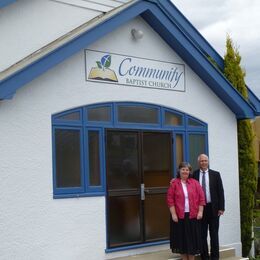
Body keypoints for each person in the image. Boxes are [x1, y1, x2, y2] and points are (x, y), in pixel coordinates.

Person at [167, 162, 206, 260]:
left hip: (192, 216)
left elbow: (202, 198)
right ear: (179, 171)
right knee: (182, 241)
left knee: (192, 241)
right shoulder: (174, 183)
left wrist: (200, 211)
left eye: (187, 169)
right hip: (179, 217)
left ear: (189, 172)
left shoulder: (195, 183)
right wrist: (173, 214)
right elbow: (170, 200)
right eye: (183, 169)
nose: (185, 171)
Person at [193, 154, 225, 260]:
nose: (203, 162)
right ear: (199, 162)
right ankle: (205, 257)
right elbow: (183, 179)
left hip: (214, 209)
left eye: (205, 160)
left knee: (214, 234)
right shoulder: (194, 174)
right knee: (202, 235)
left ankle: (215, 258)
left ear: (208, 161)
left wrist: (221, 207)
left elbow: (220, 191)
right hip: (200, 210)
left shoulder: (215, 174)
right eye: (201, 161)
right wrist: (174, 180)